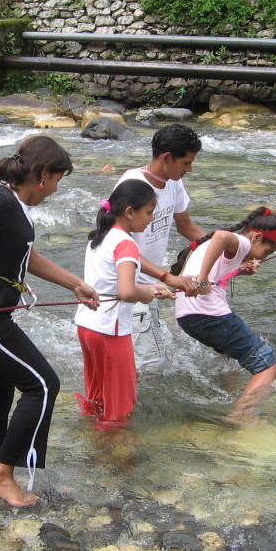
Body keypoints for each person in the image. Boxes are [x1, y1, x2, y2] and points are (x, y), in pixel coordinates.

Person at [0, 135, 99, 508]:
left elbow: (27, 256)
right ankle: (2, 473)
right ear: (42, 174)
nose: (56, 189)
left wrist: (75, 283)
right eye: (57, 180)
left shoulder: (11, 204)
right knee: (43, 385)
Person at [74, 180, 175, 430]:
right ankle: (116, 457)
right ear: (130, 212)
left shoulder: (99, 237)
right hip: (111, 330)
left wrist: (148, 288)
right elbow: (127, 291)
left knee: (97, 397)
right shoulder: (126, 243)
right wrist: (148, 292)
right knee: (120, 405)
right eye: (149, 212)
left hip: (87, 326)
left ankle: (93, 445)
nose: (151, 219)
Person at [171, 207, 276, 425]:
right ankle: (239, 416)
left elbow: (219, 268)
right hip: (209, 313)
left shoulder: (230, 247)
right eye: (267, 252)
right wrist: (202, 279)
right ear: (257, 237)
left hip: (187, 315)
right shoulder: (242, 242)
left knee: (231, 358)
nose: (264, 257)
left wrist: (240, 269)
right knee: (268, 364)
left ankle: (227, 396)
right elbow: (221, 236)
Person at [116, 123, 207, 369]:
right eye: (186, 163)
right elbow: (122, 248)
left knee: (142, 360)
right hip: (127, 287)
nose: (190, 169)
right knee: (151, 364)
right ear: (167, 157)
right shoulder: (132, 188)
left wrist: (230, 249)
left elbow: (186, 226)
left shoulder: (173, 182)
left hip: (150, 284)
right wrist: (168, 278)